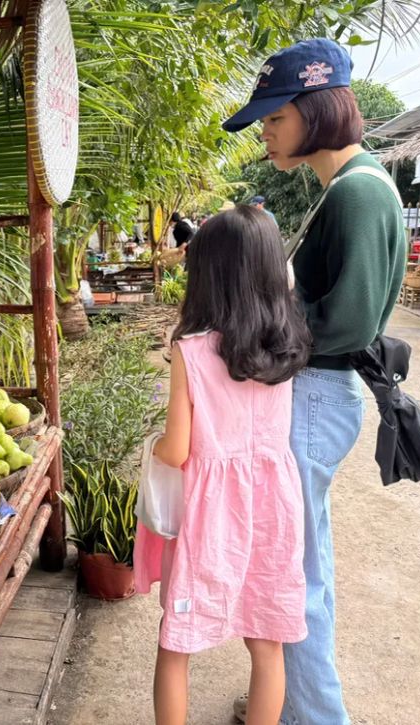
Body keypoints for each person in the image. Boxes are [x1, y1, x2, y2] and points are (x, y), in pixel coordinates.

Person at [223, 38, 407, 724]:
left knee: (289, 577)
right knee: (305, 567)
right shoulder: (351, 185)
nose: (267, 132)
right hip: (323, 397)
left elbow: (348, 323)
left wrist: (254, 339)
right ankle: (298, 702)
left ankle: (318, 716)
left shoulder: (356, 193)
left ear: (317, 110)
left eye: (276, 117)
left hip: (317, 396)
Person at [134, 206, 311, 725]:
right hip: (274, 505)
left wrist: (153, 449)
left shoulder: (191, 350)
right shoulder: (287, 342)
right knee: (267, 644)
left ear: (206, 274)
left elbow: (177, 450)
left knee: (177, 644)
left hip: (212, 516)